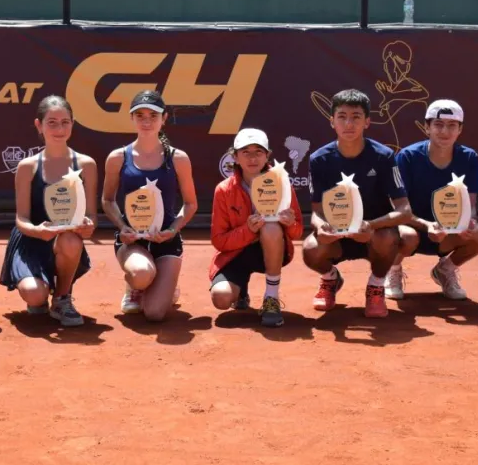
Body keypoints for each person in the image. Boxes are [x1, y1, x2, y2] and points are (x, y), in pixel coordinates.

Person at [302, 89, 411, 318]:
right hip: (337, 235)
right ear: (332, 121)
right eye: (341, 116)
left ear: (367, 122)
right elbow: (316, 212)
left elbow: (404, 210)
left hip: (373, 234)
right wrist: (321, 227)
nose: (348, 123)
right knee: (311, 248)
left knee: (391, 236)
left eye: (356, 117)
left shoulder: (384, 156)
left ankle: (376, 286)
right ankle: (330, 279)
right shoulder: (318, 160)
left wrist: (371, 225)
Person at [101, 90, 198, 322]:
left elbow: (191, 204)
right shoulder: (117, 157)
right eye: (140, 115)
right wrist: (122, 226)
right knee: (142, 274)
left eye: (153, 116)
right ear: (132, 118)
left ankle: (166, 283)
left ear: (164, 118)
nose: (146, 121)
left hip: (166, 239)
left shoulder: (179, 158)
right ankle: (135, 284)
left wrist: (173, 230)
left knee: (154, 314)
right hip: (132, 240)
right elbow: (108, 200)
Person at [0, 95, 96, 327]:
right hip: (32, 240)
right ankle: (40, 293)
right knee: (34, 295)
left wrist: (88, 226)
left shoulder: (86, 165)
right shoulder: (27, 167)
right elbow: (21, 219)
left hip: (66, 241)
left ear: (73, 124)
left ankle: (62, 298)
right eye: (51, 122)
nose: (59, 129)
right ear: (38, 125)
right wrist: (37, 230)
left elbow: (91, 215)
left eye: (65, 122)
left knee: (71, 241)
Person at [388, 100, 478, 300]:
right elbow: (398, 208)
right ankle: (393, 270)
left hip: (448, 234)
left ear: (460, 129)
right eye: (438, 125)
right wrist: (428, 226)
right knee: (405, 235)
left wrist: (467, 223)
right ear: (427, 127)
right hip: (413, 228)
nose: (445, 131)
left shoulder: (469, 158)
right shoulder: (407, 157)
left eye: (452, 125)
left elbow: (471, 205)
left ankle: (445, 270)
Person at [209, 128, 303, 327]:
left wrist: (290, 223)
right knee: (221, 298)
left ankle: (271, 298)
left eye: (258, 152)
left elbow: (298, 231)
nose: (252, 158)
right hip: (236, 254)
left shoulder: (282, 183)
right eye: (245, 152)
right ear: (235, 157)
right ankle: (240, 289)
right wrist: (248, 230)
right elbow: (218, 240)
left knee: (271, 228)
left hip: (271, 250)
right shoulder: (223, 190)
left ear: (267, 155)